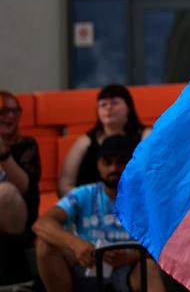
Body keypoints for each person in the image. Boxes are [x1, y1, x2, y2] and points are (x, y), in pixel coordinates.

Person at [35, 135, 164, 292]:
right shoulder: (83, 194)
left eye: (121, 162)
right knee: (45, 247)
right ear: (98, 165)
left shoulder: (148, 199)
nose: (113, 168)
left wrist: (131, 257)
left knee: (148, 266)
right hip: (87, 266)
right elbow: (41, 224)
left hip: (130, 270)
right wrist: (76, 244)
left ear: (133, 165)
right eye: (107, 162)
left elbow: (166, 245)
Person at [59, 85, 151, 196]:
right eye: (103, 104)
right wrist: (86, 202)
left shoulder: (147, 136)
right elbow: (64, 185)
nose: (108, 108)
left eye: (114, 103)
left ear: (129, 108)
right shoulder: (84, 142)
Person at [0, 90, 40, 284]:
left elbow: (24, 187)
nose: (10, 116)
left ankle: (16, 274)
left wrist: (3, 155)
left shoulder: (26, 145)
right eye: (3, 111)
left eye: (15, 111)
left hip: (18, 222)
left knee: (5, 192)